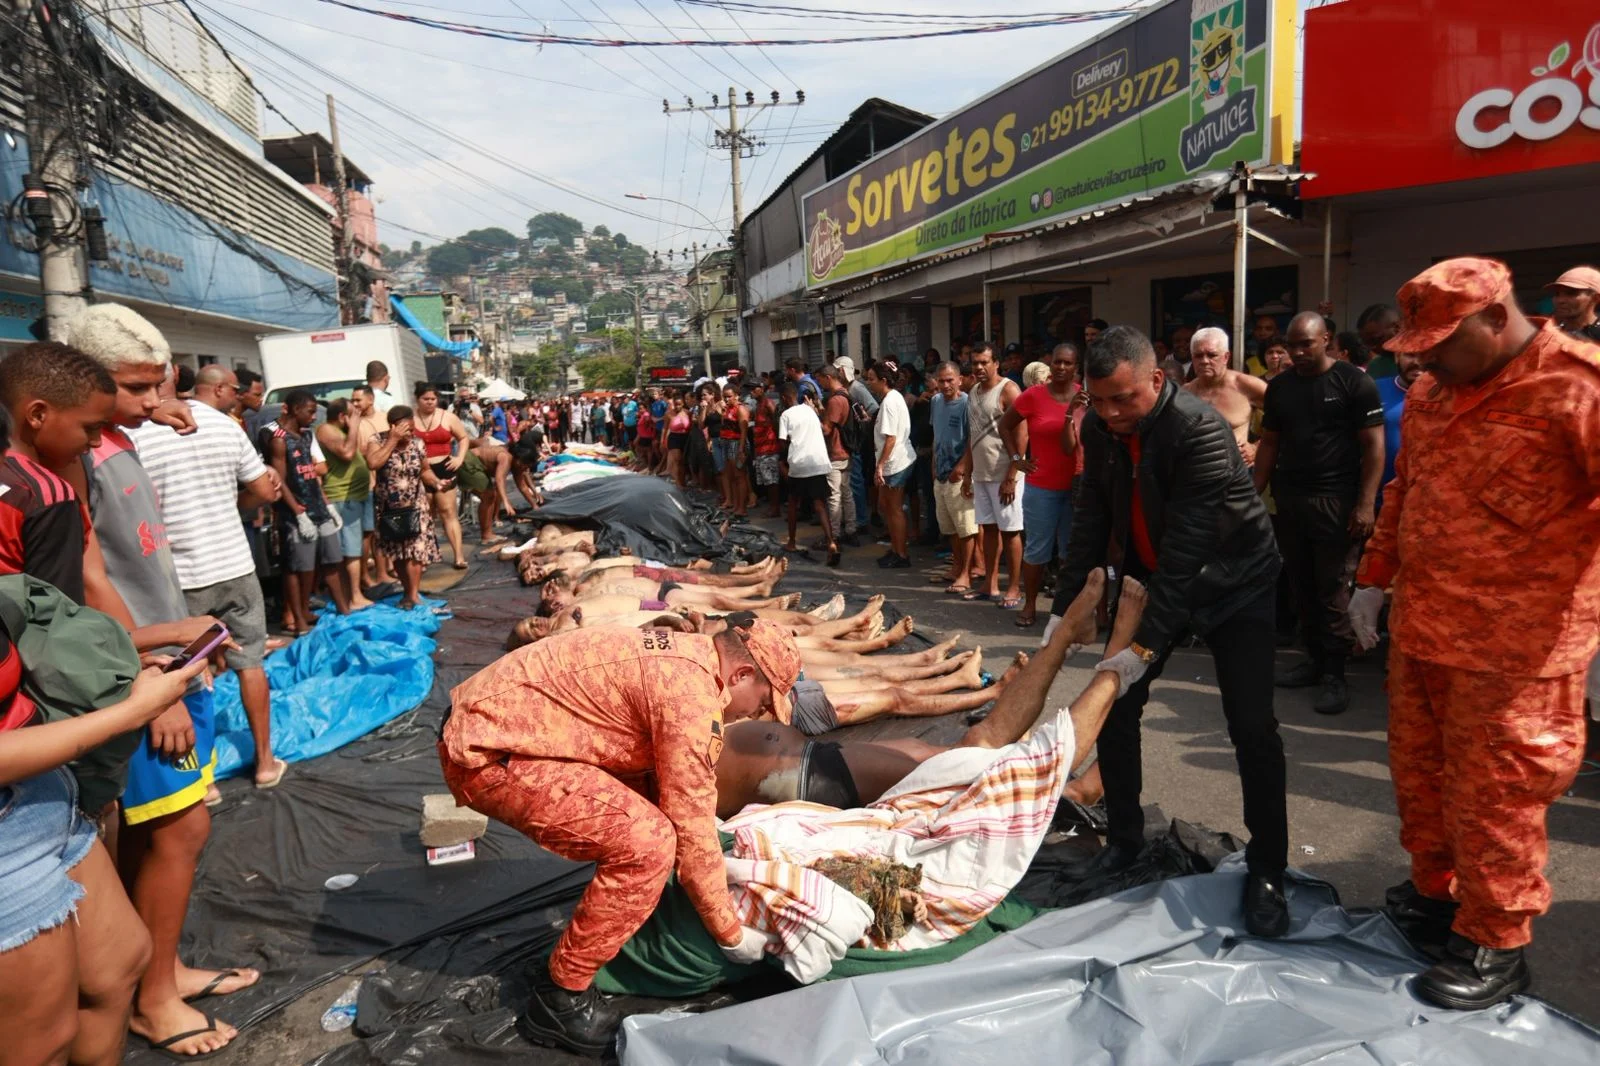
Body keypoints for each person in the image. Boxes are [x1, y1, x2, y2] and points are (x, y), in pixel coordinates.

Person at [1347, 257, 1600, 1010]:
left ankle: (1496, 941)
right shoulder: (1434, 392)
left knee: (1497, 800)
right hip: (1424, 631)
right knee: (1423, 782)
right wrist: (1373, 579)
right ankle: (1437, 900)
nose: (1424, 363)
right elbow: (1406, 490)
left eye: (1438, 345)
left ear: (1495, 316)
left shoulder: (1577, 387)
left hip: (1517, 654)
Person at [439, 617, 800, 1054]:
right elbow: (689, 821)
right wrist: (730, 932)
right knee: (647, 844)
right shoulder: (689, 695)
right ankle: (561, 1000)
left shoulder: (689, 656)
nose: (756, 715)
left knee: (656, 809)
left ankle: (604, 939)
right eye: (762, 702)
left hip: (505, 727)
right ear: (741, 674)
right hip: (486, 751)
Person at [1043, 325, 1290, 939]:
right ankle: (1124, 842)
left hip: (1235, 583)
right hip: (1153, 577)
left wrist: (1140, 649)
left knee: (1251, 725)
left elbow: (1185, 557)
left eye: (1123, 398)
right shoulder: (1100, 428)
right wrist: (1063, 612)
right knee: (1117, 708)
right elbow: (1091, 517)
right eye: (1099, 401)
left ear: (1157, 379)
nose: (1110, 413)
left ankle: (1269, 868)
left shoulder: (1198, 430)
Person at [63, 308, 264, 1057]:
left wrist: (158, 406)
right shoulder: (77, 457)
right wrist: (149, 678)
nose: (155, 401)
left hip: (171, 651)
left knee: (168, 828)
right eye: (136, 387)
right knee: (176, 828)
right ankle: (151, 1001)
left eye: (162, 384)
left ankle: (164, 970)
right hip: (145, 669)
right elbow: (89, 580)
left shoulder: (119, 436)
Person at [0, 538, 210, 1066]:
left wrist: (120, 662)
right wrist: (132, 711)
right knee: (43, 1041)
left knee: (118, 966)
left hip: (44, 790)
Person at [718, 570, 1137, 815]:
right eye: (765, 698)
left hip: (814, 762)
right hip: (814, 776)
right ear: (741, 674)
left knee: (963, 747)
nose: (763, 708)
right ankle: (1081, 652)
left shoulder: (699, 676)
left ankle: (1069, 647)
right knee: (983, 754)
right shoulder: (689, 711)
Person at [132, 365, 287, 789]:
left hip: (178, 577)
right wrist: (226, 506)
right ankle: (265, 762)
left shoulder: (134, 434)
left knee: (185, 670)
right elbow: (263, 490)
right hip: (234, 565)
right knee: (250, 664)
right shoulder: (223, 426)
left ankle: (204, 781)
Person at [1253, 312, 1384, 717]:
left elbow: (1373, 447)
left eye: (1305, 344)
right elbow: (1269, 443)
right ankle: (1313, 660)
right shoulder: (1280, 387)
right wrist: (1252, 494)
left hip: (1337, 502)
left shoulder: (1353, 382)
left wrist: (1365, 504)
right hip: (1291, 500)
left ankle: (1335, 674)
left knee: (1332, 589)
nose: (1296, 352)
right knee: (1301, 585)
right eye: (1291, 345)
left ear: (1326, 339)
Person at [1000, 343, 1087, 627]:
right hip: (1041, 489)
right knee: (1037, 551)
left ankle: (1065, 611)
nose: (1061, 367)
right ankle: (1030, 604)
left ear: (1076, 368)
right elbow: (1005, 425)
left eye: (1067, 363)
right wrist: (1017, 459)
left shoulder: (1084, 397)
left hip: (1076, 488)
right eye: (1057, 362)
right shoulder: (1034, 395)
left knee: (1070, 554)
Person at [268, 389, 349, 631]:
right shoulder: (279, 439)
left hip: (318, 507)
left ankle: (344, 609)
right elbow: (279, 481)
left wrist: (327, 504)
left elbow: (313, 476)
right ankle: (299, 620)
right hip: (296, 512)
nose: (314, 417)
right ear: (295, 410)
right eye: (310, 412)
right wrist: (298, 512)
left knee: (333, 558)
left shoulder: (306, 436)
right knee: (299, 567)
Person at [962, 343, 1024, 606]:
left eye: (984, 362)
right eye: (975, 362)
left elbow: (1022, 434)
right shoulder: (973, 391)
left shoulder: (1009, 390)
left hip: (1005, 475)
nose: (978, 367)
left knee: (1010, 532)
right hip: (982, 473)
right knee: (987, 530)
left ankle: (1014, 588)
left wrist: (1012, 475)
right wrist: (967, 473)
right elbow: (973, 435)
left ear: (996, 363)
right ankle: (990, 584)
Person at [366, 405, 443, 610]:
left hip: (416, 504)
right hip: (389, 507)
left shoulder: (417, 443)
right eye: (406, 430)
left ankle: (413, 594)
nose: (410, 433)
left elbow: (425, 470)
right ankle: (408, 592)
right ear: (393, 427)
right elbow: (373, 463)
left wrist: (436, 482)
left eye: (412, 429)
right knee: (399, 551)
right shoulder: (377, 441)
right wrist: (392, 440)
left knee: (417, 549)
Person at [316, 398, 376, 611]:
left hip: (355, 497)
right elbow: (347, 453)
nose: (357, 417)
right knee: (350, 551)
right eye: (353, 414)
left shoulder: (341, 431)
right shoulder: (326, 430)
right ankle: (354, 597)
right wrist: (355, 426)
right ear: (342, 416)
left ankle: (355, 592)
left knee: (355, 548)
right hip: (342, 498)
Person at [928, 361, 977, 594]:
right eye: (941, 381)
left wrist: (962, 467)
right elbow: (936, 435)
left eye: (950, 380)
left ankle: (966, 573)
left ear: (959, 380)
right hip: (940, 473)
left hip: (958, 474)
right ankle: (956, 567)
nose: (946, 385)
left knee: (966, 527)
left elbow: (972, 438)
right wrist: (933, 463)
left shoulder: (967, 403)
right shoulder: (936, 401)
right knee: (950, 528)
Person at [1183, 327, 1266, 464]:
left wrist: (1256, 448)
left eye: (1212, 355)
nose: (1204, 361)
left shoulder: (1245, 385)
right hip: (1195, 470)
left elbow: (1287, 417)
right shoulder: (1185, 393)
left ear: (1226, 357)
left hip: (1235, 471)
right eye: (1198, 356)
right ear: (1192, 358)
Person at [776, 383, 838, 567]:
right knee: (820, 504)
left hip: (799, 464)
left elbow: (782, 442)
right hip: (818, 462)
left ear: (784, 398)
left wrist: (784, 459)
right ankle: (831, 542)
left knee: (793, 502)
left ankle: (792, 541)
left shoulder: (785, 415)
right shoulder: (810, 411)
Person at [412, 384, 471, 571]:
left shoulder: (448, 417)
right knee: (425, 515)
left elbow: (463, 438)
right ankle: (424, 557)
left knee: (448, 512)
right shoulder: (410, 418)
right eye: (425, 399)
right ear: (417, 399)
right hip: (420, 470)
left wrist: (459, 458)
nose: (430, 402)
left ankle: (459, 556)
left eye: (433, 399)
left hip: (444, 467)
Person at [866, 361, 914, 569]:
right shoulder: (892, 398)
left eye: (871, 379)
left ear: (883, 380)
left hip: (895, 462)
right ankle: (895, 549)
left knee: (894, 509)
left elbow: (891, 438)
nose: (869, 383)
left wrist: (880, 466)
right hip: (892, 460)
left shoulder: (890, 402)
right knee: (886, 506)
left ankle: (901, 554)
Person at [813, 365, 857, 545]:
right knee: (846, 493)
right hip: (846, 451)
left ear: (828, 377)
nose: (819, 384)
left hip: (836, 452)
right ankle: (851, 530)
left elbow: (826, 429)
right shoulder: (846, 394)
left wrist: (814, 413)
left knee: (834, 496)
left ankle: (834, 535)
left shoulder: (835, 400)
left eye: (820, 379)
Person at [834, 356, 877, 535]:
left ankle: (861, 519)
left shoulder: (857, 388)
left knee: (856, 481)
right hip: (852, 440)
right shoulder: (845, 389)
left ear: (843, 370)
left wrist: (863, 422)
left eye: (837, 370)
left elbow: (873, 408)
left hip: (858, 441)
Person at [1375, 344, 1422, 499]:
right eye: (1410, 355)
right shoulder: (1374, 389)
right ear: (1397, 357)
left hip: (1427, 498)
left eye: (1423, 355)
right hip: (1379, 498)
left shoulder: (1449, 394)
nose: (1417, 362)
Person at [748, 381, 782, 517]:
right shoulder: (758, 405)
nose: (751, 392)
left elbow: (777, 423)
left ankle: (775, 508)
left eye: (753, 389)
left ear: (761, 389)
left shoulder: (768, 403)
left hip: (770, 447)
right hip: (761, 447)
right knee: (767, 480)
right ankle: (772, 506)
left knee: (771, 480)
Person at [717, 384, 750, 518]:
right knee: (732, 477)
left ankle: (742, 508)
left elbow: (744, 431)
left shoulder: (740, 409)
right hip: (726, 442)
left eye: (729, 396)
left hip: (736, 443)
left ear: (736, 396)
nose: (726, 399)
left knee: (739, 476)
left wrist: (741, 450)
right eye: (724, 397)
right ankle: (736, 506)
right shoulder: (727, 408)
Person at [1545, 265, 1600, 342]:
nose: (1560, 300)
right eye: (1557, 294)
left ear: (1596, 298)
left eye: (1571, 294)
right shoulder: (1548, 337)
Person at [1358, 304, 1403, 379]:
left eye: (1376, 339)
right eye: (1366, 343)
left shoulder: (1420, 361)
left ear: (1397, 328)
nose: (1372, 347)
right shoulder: (1375, 366)